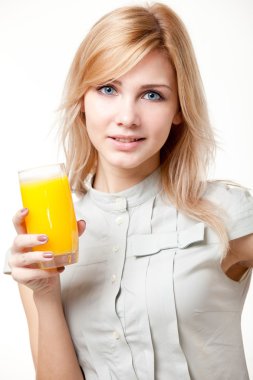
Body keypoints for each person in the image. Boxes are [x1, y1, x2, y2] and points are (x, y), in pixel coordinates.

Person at [4, 2, 253, 379]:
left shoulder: (225, 213)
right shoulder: (47, 241)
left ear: (179, 108)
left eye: (152, 94)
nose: (127, 117)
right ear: (82, 100)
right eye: (108, 89)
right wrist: (44, 292)